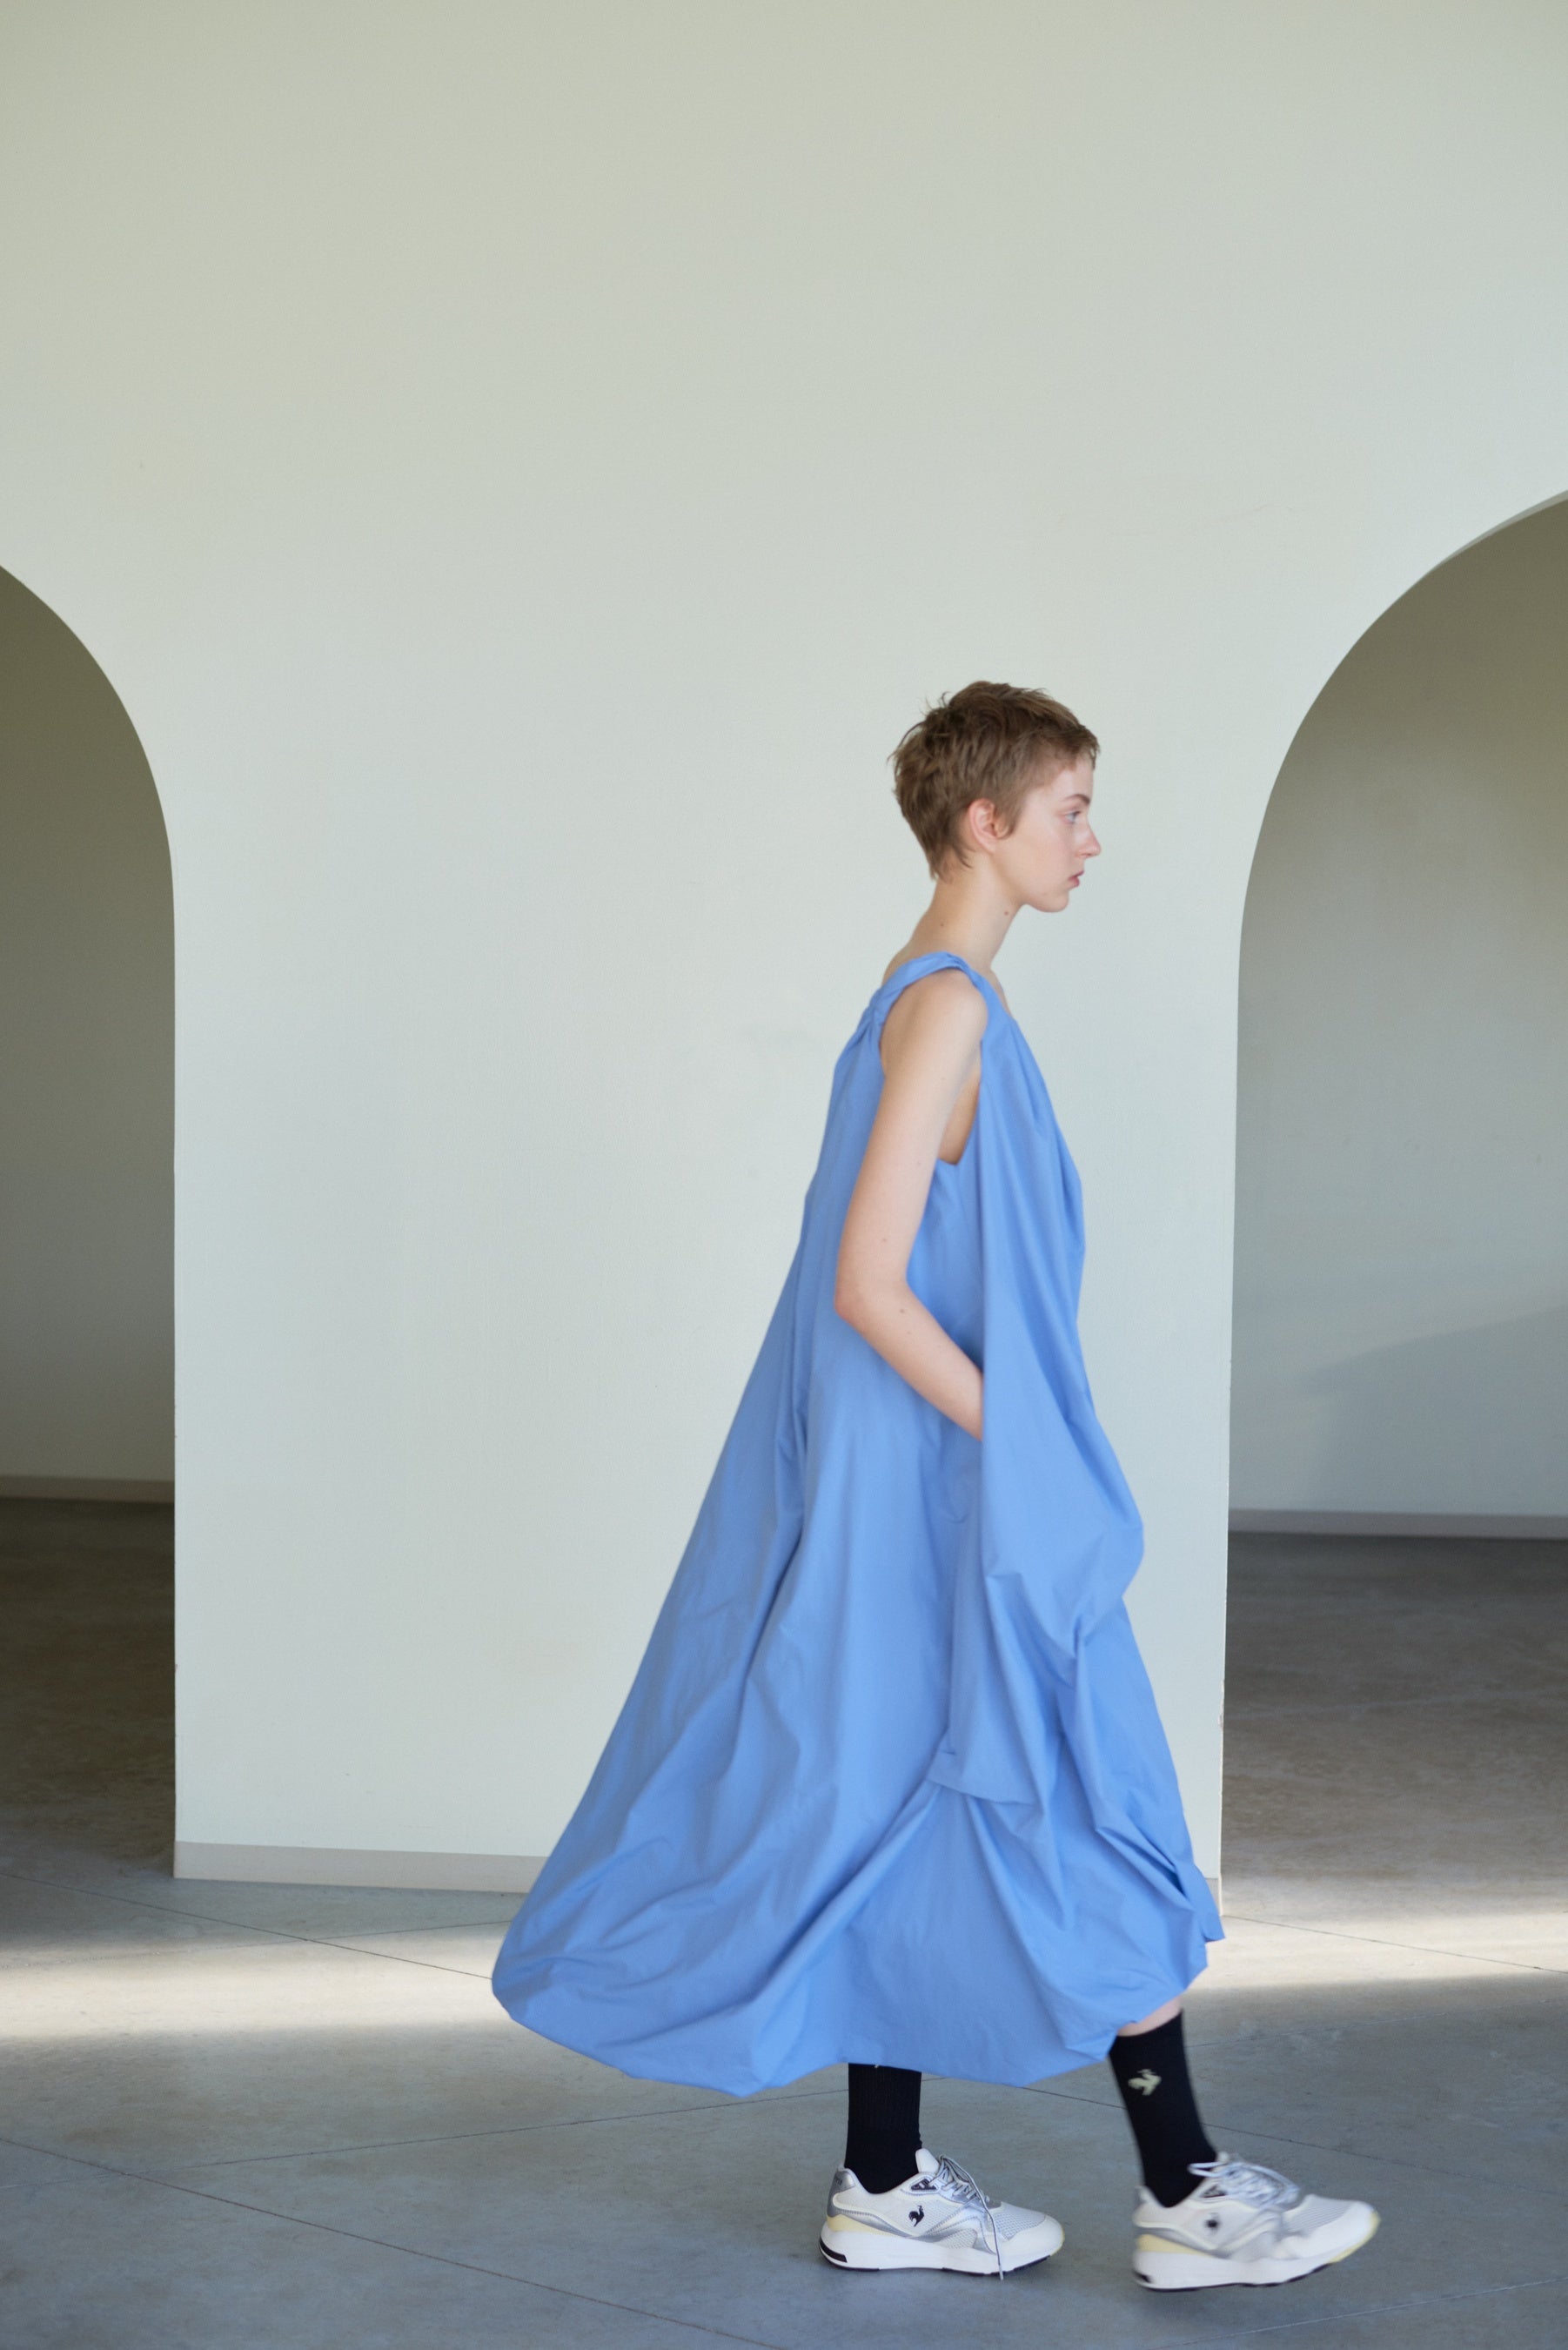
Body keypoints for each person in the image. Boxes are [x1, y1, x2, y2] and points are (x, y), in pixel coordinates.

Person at [493, 682, 1379, 2293]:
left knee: (904, 1813)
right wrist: (1023, 1447)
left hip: (923, 1505)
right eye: (1071, 809)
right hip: (954, 1509)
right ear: (986, 820)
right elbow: (868, 1282)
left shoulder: (925, 999)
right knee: (1092, 1807)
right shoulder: (947, 1009)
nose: (1090, 841)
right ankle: (1186, 2194)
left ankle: (886, 2179)